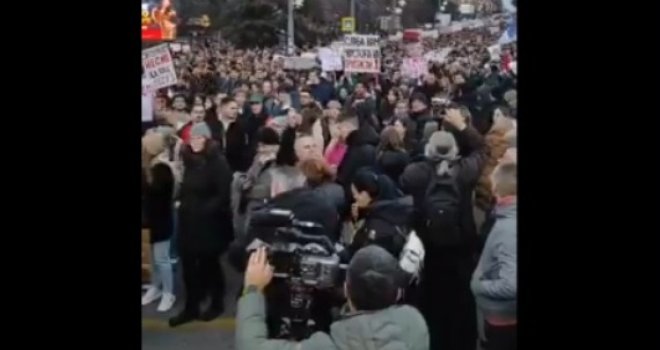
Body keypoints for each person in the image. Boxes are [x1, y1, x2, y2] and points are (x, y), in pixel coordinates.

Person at [400, 107, 487, 350]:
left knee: (431, 307)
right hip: (461, 252)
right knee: (460, 309)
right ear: (456, 151)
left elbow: (405, 180)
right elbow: (483, 149)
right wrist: (461, 126)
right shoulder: (465, 172)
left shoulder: (415, 173)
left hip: (427, 253)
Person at [236, 245, 430, 350]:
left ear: (346, 290)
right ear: (397, 294)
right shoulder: (415, 324)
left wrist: (253, 289)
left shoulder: (330, 344)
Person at [170, 122, 233, 327]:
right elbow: (186, 188)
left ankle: (216, 303)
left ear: (207, 139)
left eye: (199, 138)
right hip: (188, 222)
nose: (195, 142)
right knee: (188, 267)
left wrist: (203, 210)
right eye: (192, 138)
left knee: (209, 264)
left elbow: (223, 195)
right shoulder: (189, 161)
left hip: (209, 224)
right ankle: (191, 307)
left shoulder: (218, 162)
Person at [471, 162, 517, 350]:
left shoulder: (508, 229)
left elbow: (511, 285)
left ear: (498, 189)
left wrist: (479, 286)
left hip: (502, 319)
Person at [141, 131, 179, 312]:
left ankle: (168, 292)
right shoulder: (148, 168)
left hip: (162, 220)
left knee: (162, 259)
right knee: (154, 260)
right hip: (150, 221)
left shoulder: (162, 169)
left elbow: (157, 195)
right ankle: (156, 287)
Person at [349, 169, 413, 258]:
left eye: (355, 195)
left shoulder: (376, 224)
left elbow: (360, 253)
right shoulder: (389, 210)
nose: (355, 199)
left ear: (364, 194)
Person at [335, 113, 377, 209]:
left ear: (348, 127)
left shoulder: (358, 149)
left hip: (356, 199)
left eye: (340, 128)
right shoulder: (365, 144)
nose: (339, 132)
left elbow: (346, 176)